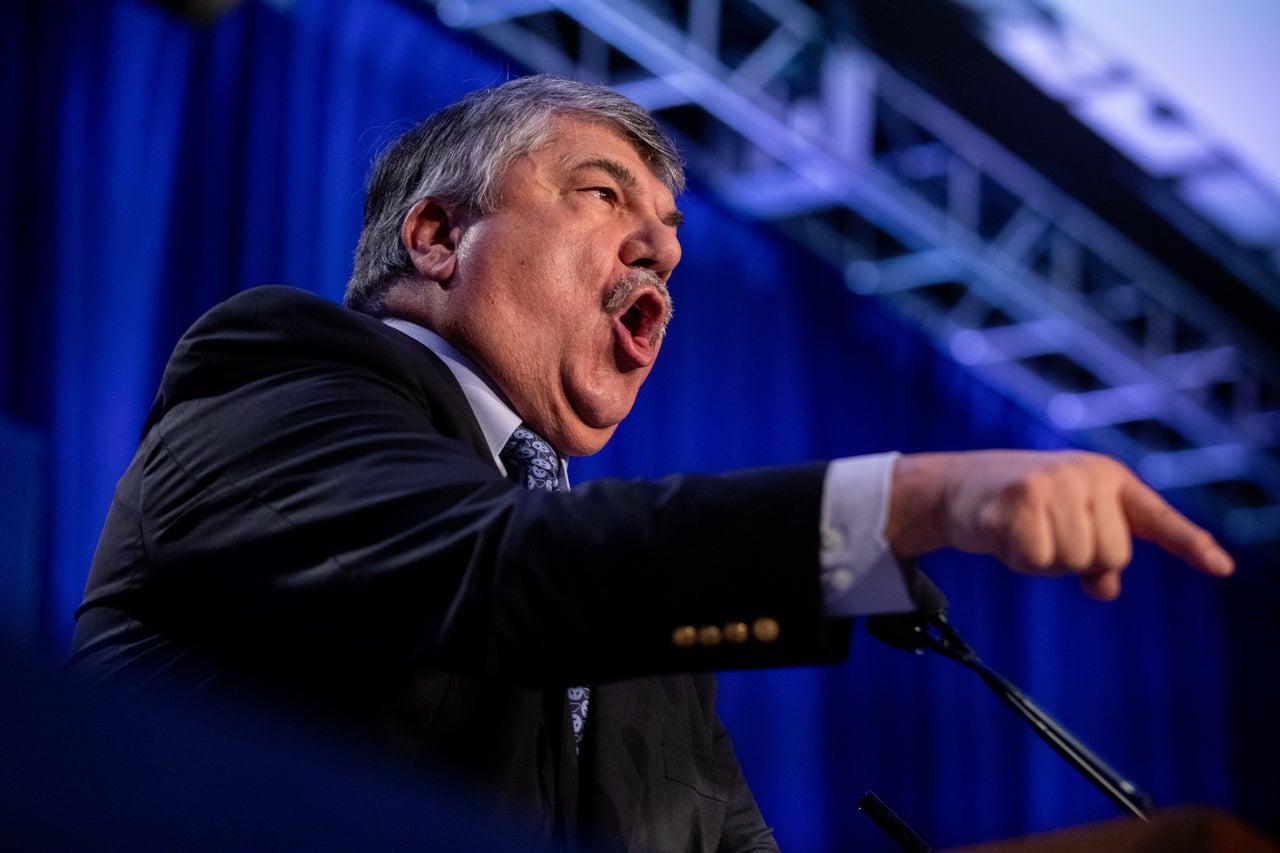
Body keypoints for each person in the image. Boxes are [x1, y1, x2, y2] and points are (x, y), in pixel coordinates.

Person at [70, 75, 1234, 851]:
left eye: (672, 243)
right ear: (435, 237)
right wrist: (916, 498)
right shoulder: (277, 377)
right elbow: (505, 572)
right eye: (600, 195)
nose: (658, 254)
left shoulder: (650, 633)